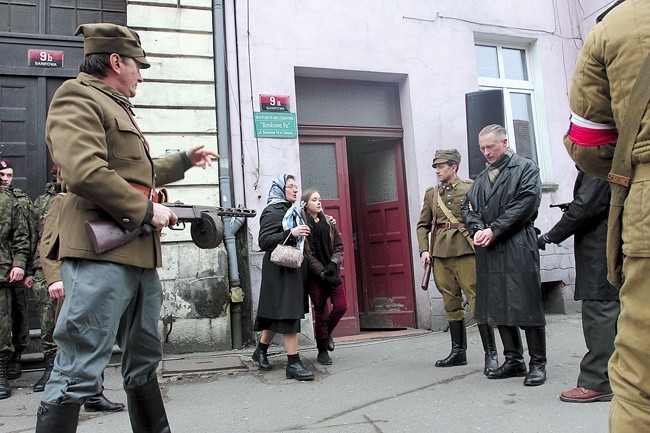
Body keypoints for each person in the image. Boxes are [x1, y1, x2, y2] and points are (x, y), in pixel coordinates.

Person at [36, 23, 218, 432]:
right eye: (138, 65)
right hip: (100, 252)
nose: (141, 73)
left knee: (143, 358)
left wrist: (184, 160)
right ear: (116, 61)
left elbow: (137, 172)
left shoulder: (116, 105)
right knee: (80, 361)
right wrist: (145, 210)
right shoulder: (77, 97)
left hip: (135, 252)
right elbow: (84, 171)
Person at [563, 0, 650, 428]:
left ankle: (596, 379)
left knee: (639, 378)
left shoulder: (615, 25)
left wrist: (552, 233)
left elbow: (589, 141)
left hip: (633, 217)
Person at [31, 166, 124, 411]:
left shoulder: (96, 201)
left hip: (95, 277)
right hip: (70, 279)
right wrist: (54, 279)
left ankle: (94, 395)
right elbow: (47, 243)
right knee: (73, 341)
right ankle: (61, 401)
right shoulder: (61, 202)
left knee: (97, 335)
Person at [461, 124, 546, 386]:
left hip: (517, 244)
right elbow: (468, 206)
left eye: (491, 146)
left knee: (527, 304)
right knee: (497, 305)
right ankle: (513, 360)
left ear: (504, 142)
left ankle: (538, 364)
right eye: (482, 148)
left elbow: (526, 203)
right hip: (490, 248)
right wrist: (476, 229)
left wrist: (494, 229)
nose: (486, 152)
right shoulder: (483, 177)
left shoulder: (525, 167)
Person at [537, 168, 619, 402]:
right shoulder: (608, 160)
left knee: (599, 314)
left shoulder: (598, 166)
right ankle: (617, 378)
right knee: (612, 313)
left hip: (600, 251)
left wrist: (551, 236)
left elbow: (585, 207)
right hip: (607, 247)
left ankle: (597, 382)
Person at [416, 149, 498, 374]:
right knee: (450, 302)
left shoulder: (470, 188)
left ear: (454, 167)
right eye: (436, 166)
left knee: (476, 300)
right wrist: (424, 250)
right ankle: (458, 351)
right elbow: (423, 224)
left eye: (441, 166)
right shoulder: (432, 193)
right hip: (440, 254)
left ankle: (490, 353)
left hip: (466, 251)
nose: (437, 170)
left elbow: (483, 216)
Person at [251, 174, 314, 381]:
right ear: (280, 189)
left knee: (277, 314)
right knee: (288, 314)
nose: (295, 190)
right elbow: (264, 241)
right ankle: (293, 363)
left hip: (291, 268)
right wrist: (292, 233)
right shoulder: (272, 210)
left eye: (296, 186)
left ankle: (260, 350)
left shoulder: (291, 210)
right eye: (290, 186)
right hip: (279, 270)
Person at [0, 159, 37, 381]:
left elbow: (27, 235)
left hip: (11, 270)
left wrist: (23, 266)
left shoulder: (18, 201)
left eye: (8, 175)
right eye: (1, 175)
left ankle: (13, 359)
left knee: (17, 315)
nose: (4, 179)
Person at [300, 189, 346, 366]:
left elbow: (339, 246)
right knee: (321, 312)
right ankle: (322, 350)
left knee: (341, 306)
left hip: (332, 270)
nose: (319, 202)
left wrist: (333, 264)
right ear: (306, 203)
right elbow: (307, 254)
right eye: (314, 200)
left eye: (319, 199)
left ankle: (326, 333)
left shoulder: (328, 221)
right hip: (315, 275)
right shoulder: (302, 224)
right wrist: (322, 273)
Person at [0, 188, 30, 399]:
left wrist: (19, 264)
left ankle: (1, 371)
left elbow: (21, 235)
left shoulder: (7, 200)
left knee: (3, 324)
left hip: (2, 271)